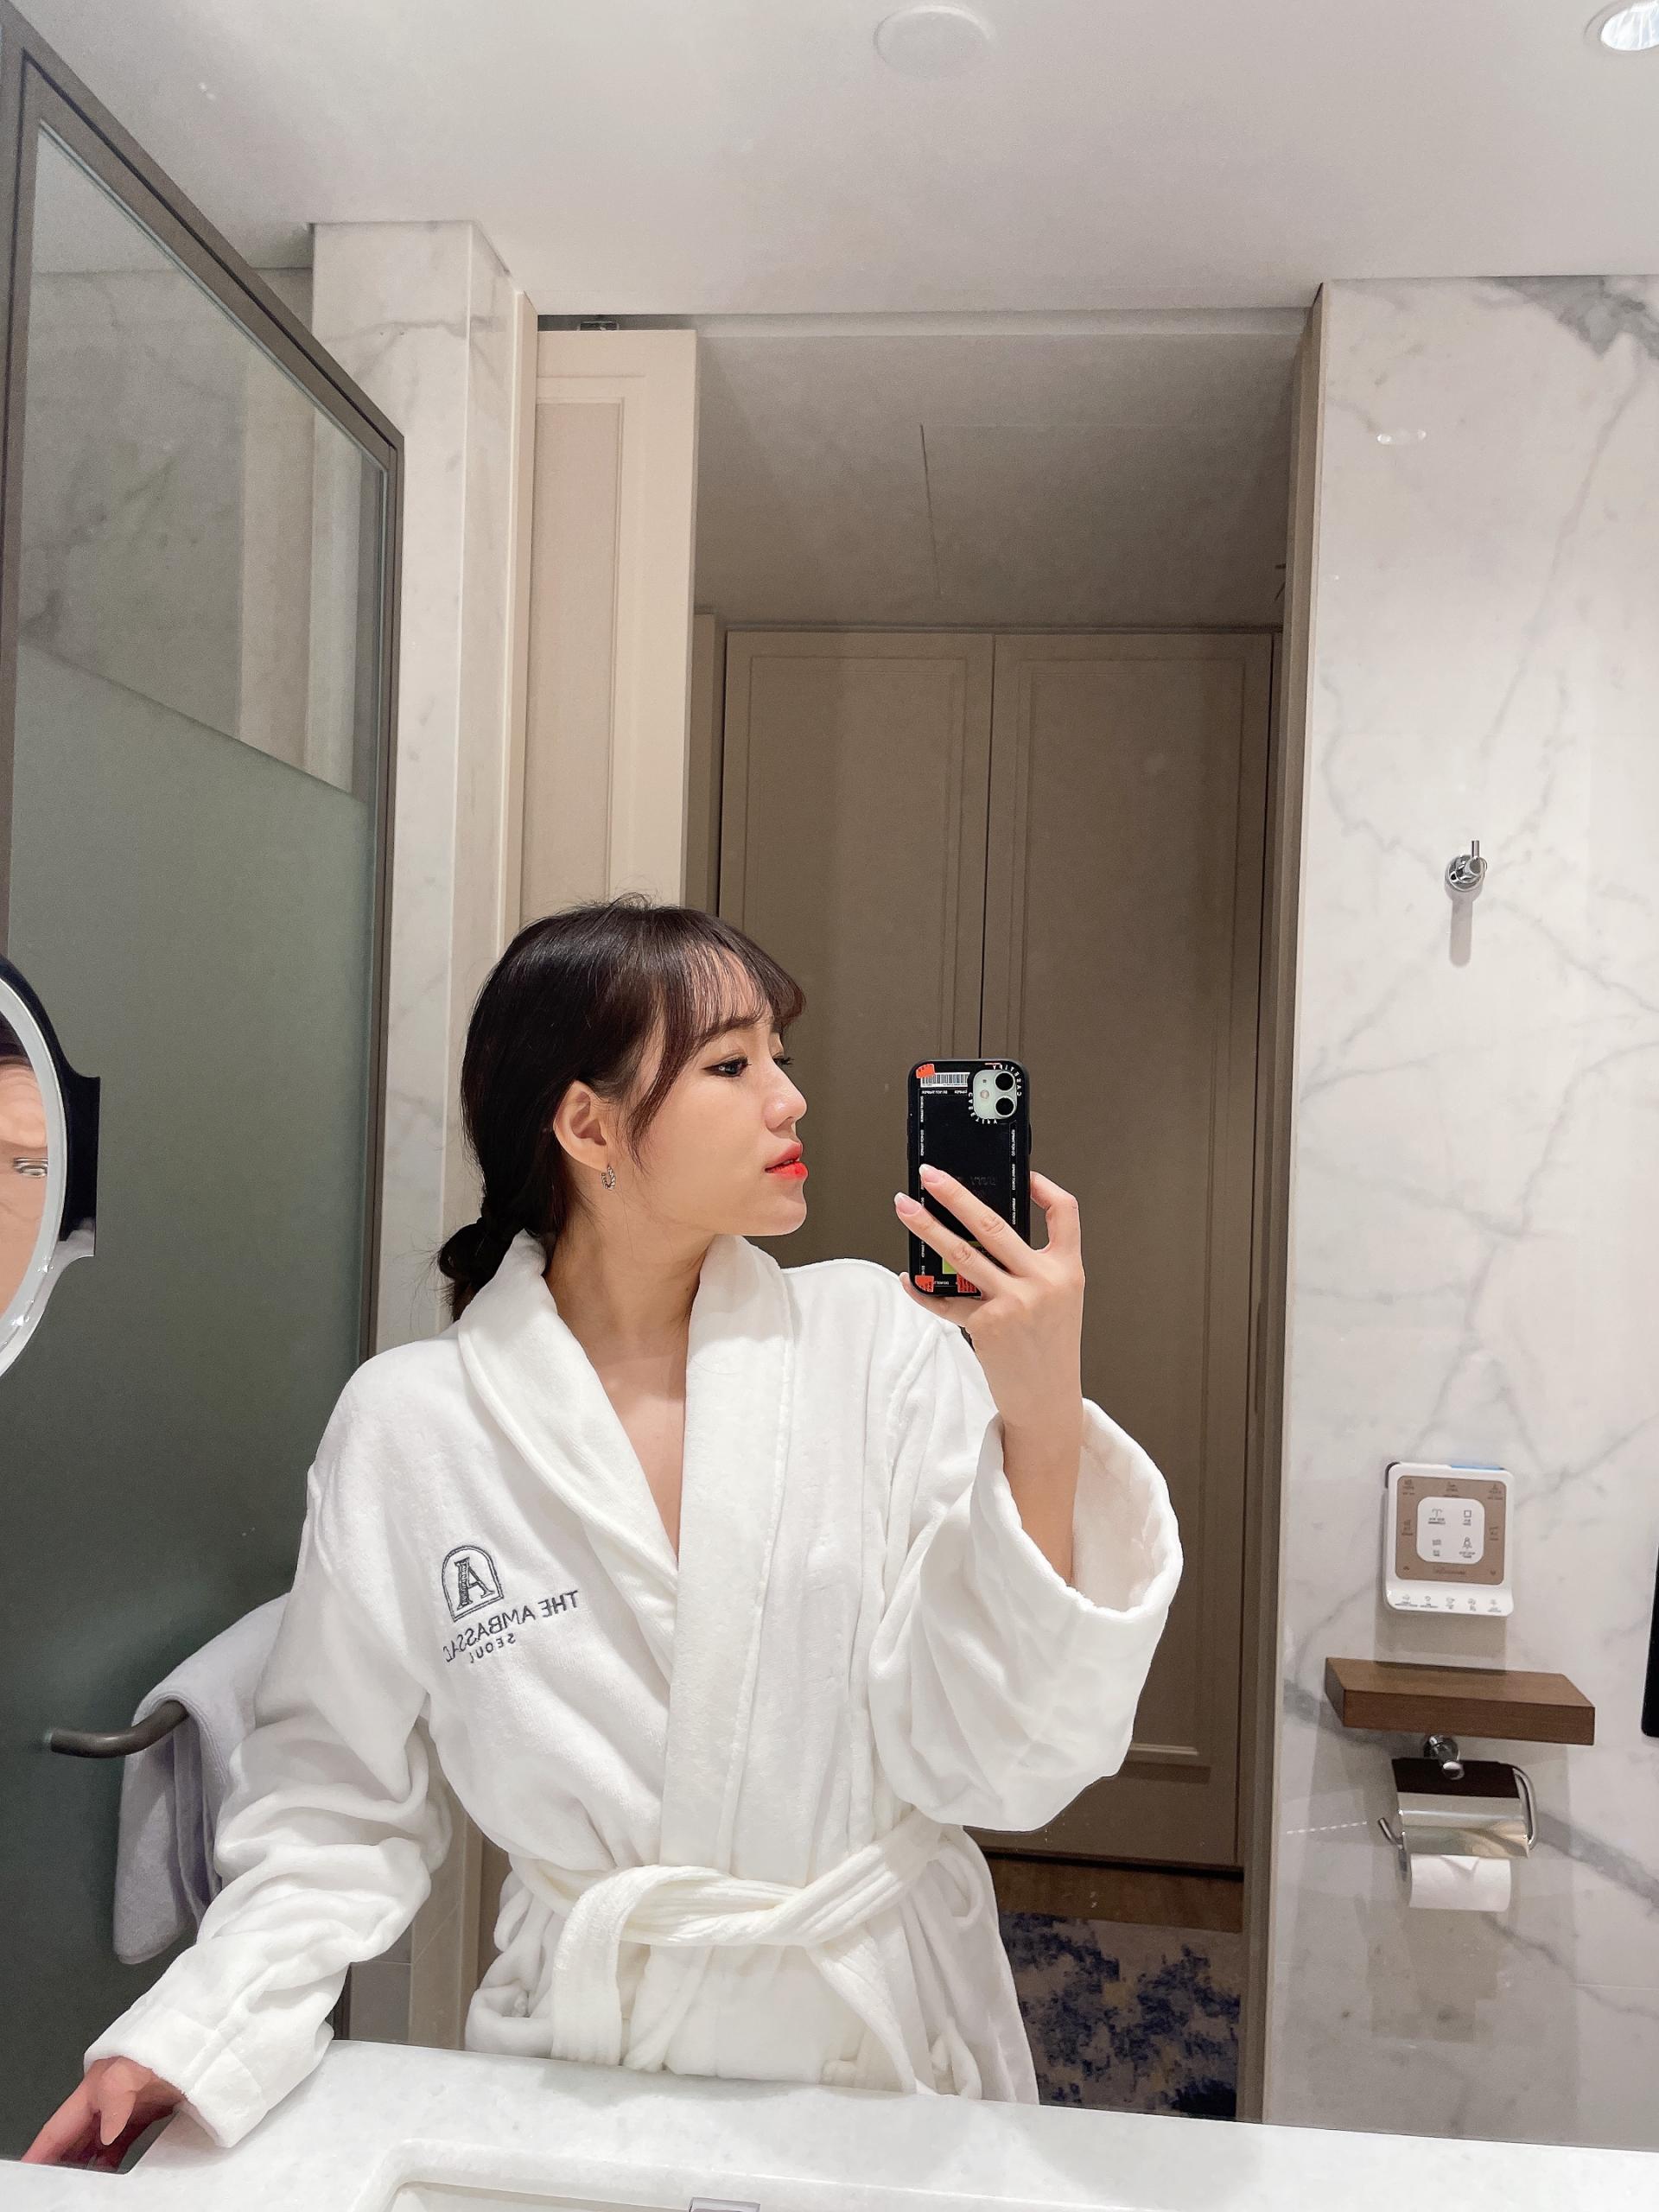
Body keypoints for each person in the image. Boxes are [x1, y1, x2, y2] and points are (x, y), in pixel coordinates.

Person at [27, 893, 1180, 2171]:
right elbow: (332, 1809)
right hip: (590, 2070)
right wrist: (196, 2035)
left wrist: (1041, 1411)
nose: (790, 1099)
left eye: (779, 1056)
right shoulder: (416, 1428)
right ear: (587, 1125)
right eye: (732, 1065)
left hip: (881, 2069)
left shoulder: (876, 1344)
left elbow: (1004, 1768)